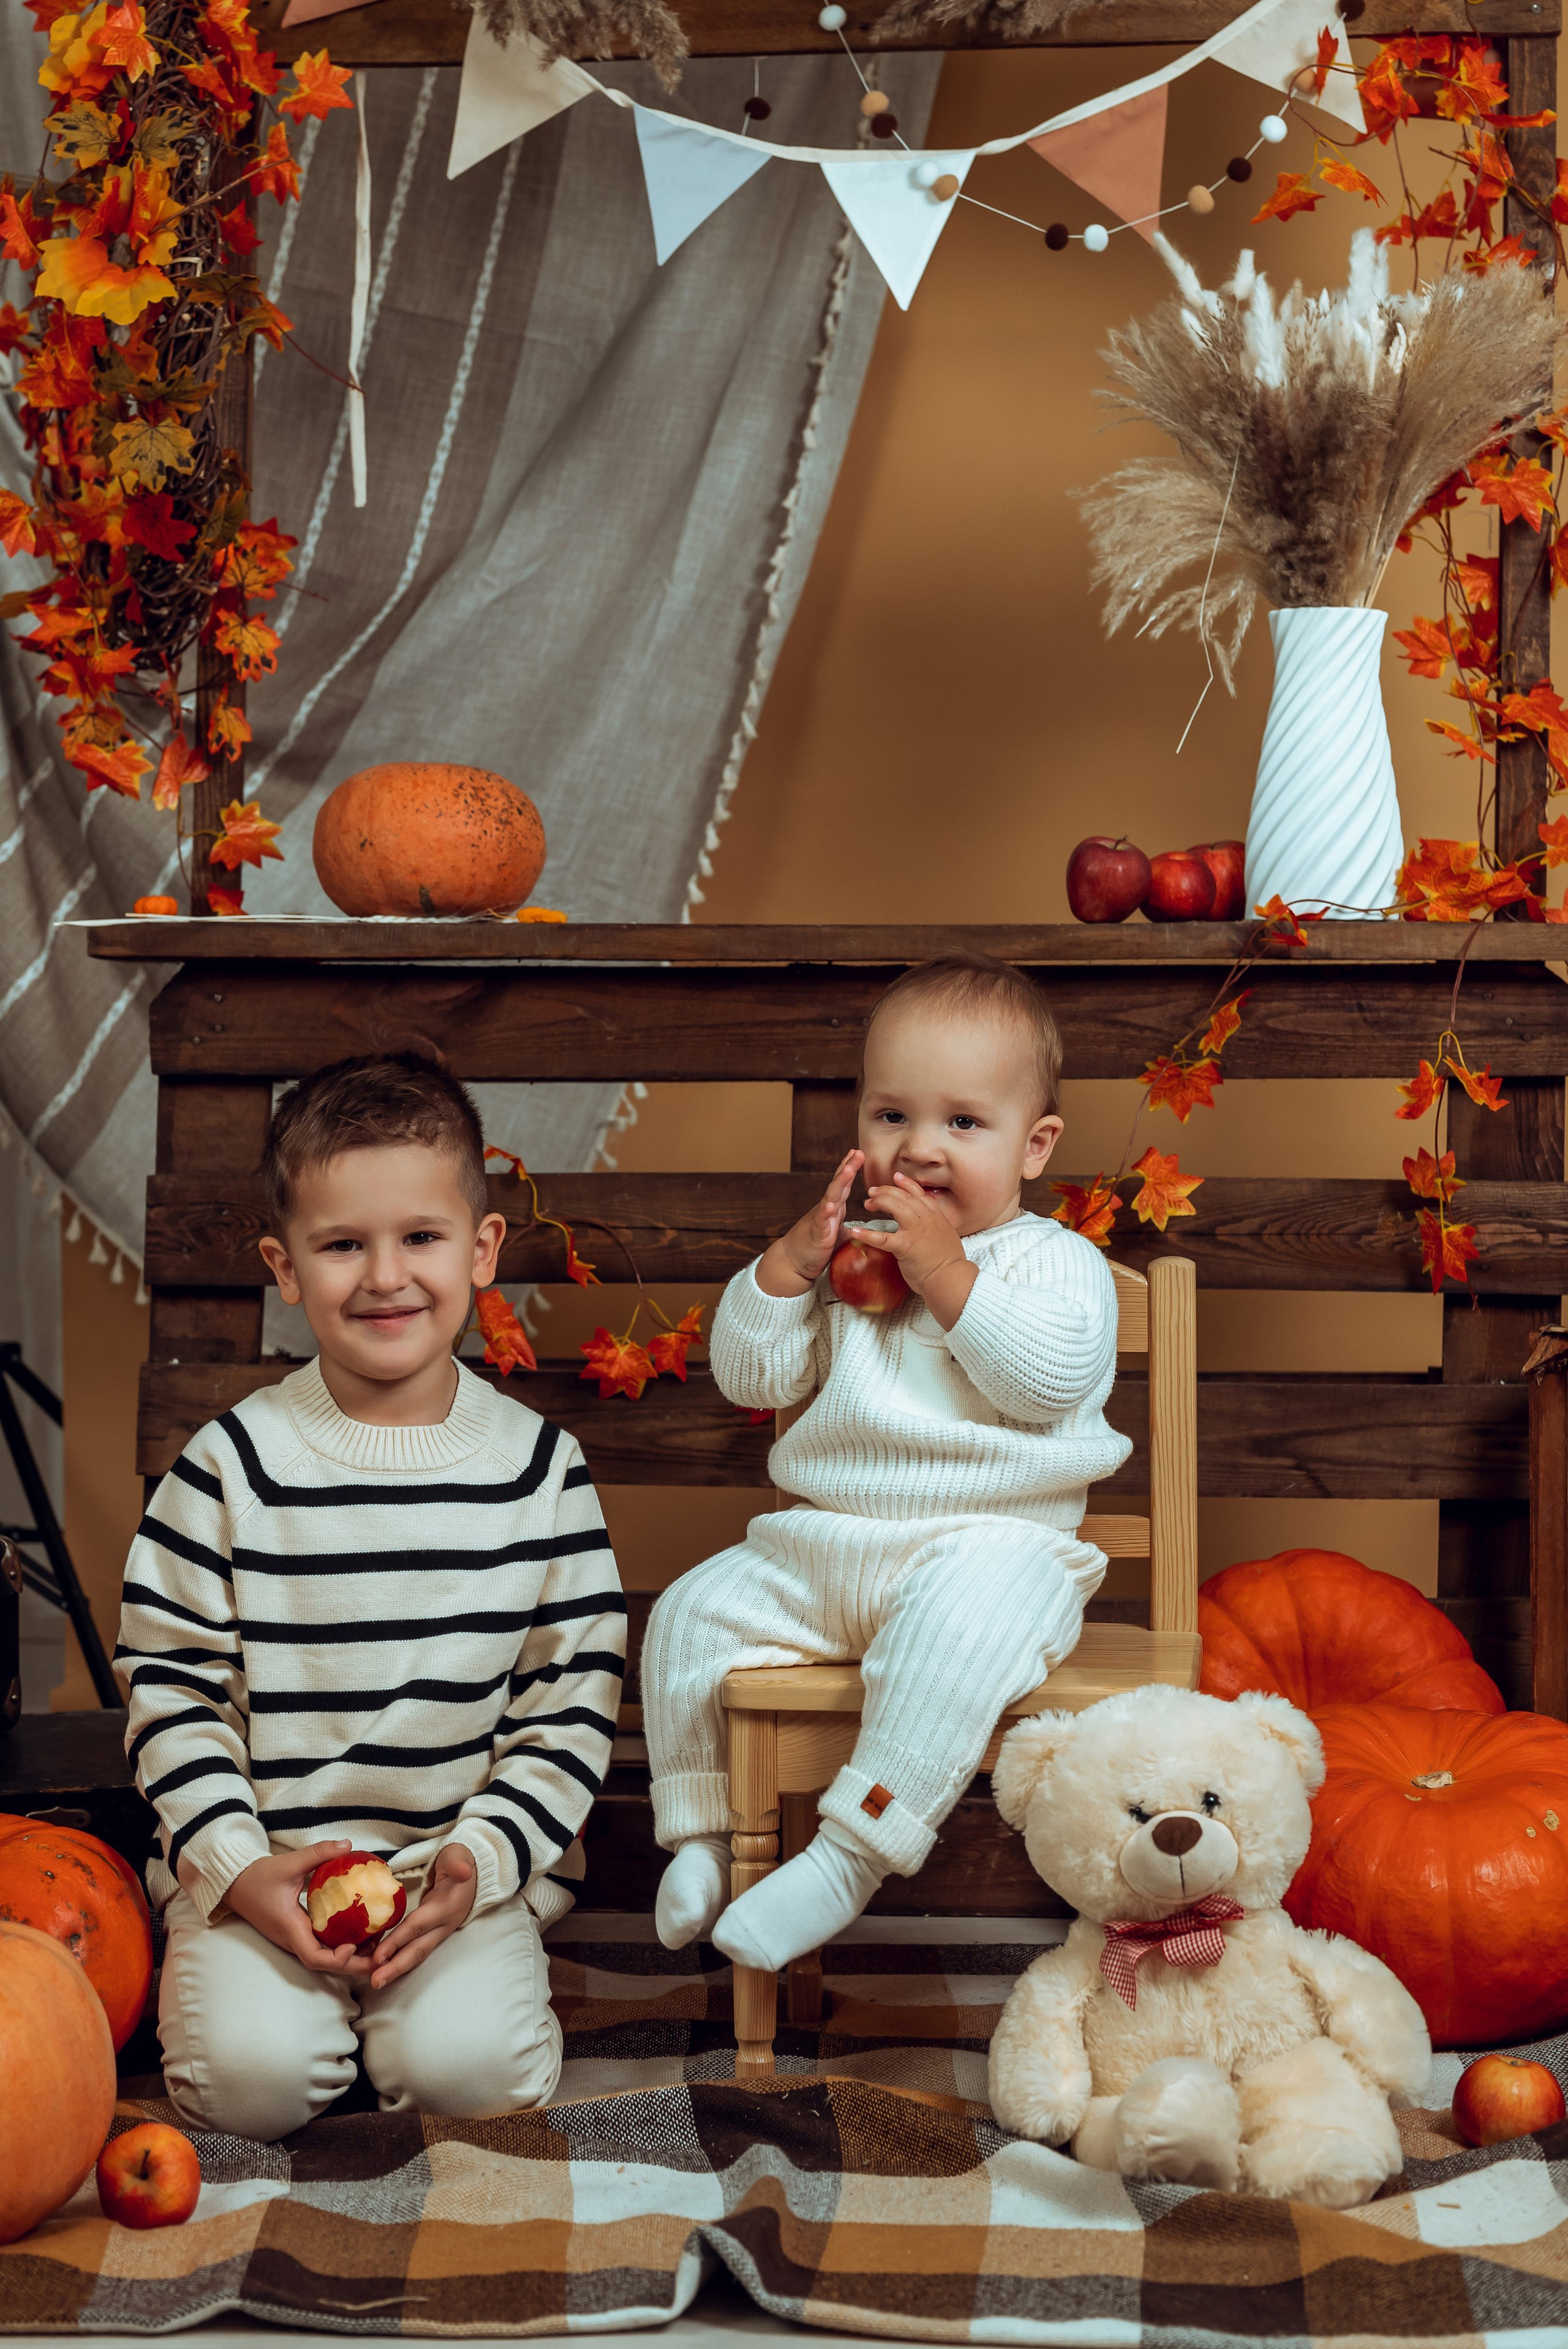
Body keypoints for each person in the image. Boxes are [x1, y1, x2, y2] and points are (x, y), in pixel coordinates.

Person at [118, 1053, 625, 2140]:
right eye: (343, 1244)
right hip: (266, 1868)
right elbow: (172, 1691)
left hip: (450, 1878)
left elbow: (569, 1702)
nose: (385, 1275)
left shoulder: (540, 1471)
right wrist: (237, 1870)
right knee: (246, 2090)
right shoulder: (229, 1469)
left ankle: (411, 2018)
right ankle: (285, 2006)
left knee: (476, 2084)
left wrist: (479, 1860)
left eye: (422, 1238)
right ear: (285, 1266)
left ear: (483, 1249)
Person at [644, 954, 1131, 1972]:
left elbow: (1047, 1381)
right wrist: (787, 1272)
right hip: (827, 1550)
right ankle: (693, 1833)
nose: (921, 1149)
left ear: (1034, 1146)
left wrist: (946, 1271)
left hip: (994, 1553)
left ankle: (849, 1855)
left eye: (963, 1123)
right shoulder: (848, 1263)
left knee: (952, 1644)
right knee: (691, 1611)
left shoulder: (1054, 1263)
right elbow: (749, 1375)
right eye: (892, 1118)